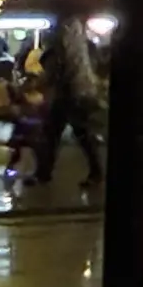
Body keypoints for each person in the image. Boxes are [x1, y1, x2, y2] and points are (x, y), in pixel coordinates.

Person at [40, 13, 106, 185]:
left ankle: (44, 173)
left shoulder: (61, 37)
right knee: (79, 134)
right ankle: (95, 172)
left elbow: (58, 65)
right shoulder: (83, 41)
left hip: (69, 91)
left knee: (55, 133)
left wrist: (49, 80)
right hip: (81, 90)